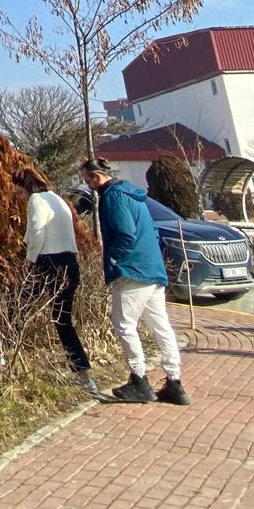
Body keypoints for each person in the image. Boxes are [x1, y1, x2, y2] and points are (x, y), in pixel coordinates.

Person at [80, 157, 189, 404]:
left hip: (132, 270)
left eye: (87, 180)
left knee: (124, 323)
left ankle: (139, 379)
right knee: (160, 325)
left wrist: (114, 260)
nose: (87, 185)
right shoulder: (133, 195)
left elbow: (125, 234)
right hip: (152, 269)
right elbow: (150, 231)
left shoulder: (113, 197)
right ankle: (175, 381)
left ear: (96, 178)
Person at [11, 166, 97, 393]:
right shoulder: (58, 200)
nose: (18, 196)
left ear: (24, 186)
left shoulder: (36, 200)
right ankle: (83, 375)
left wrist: (29, 260)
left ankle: (2, 351)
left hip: (48, 263)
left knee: (18, 306)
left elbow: (38, 232)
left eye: (17, 190)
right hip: (69, 263)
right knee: (63, 320)